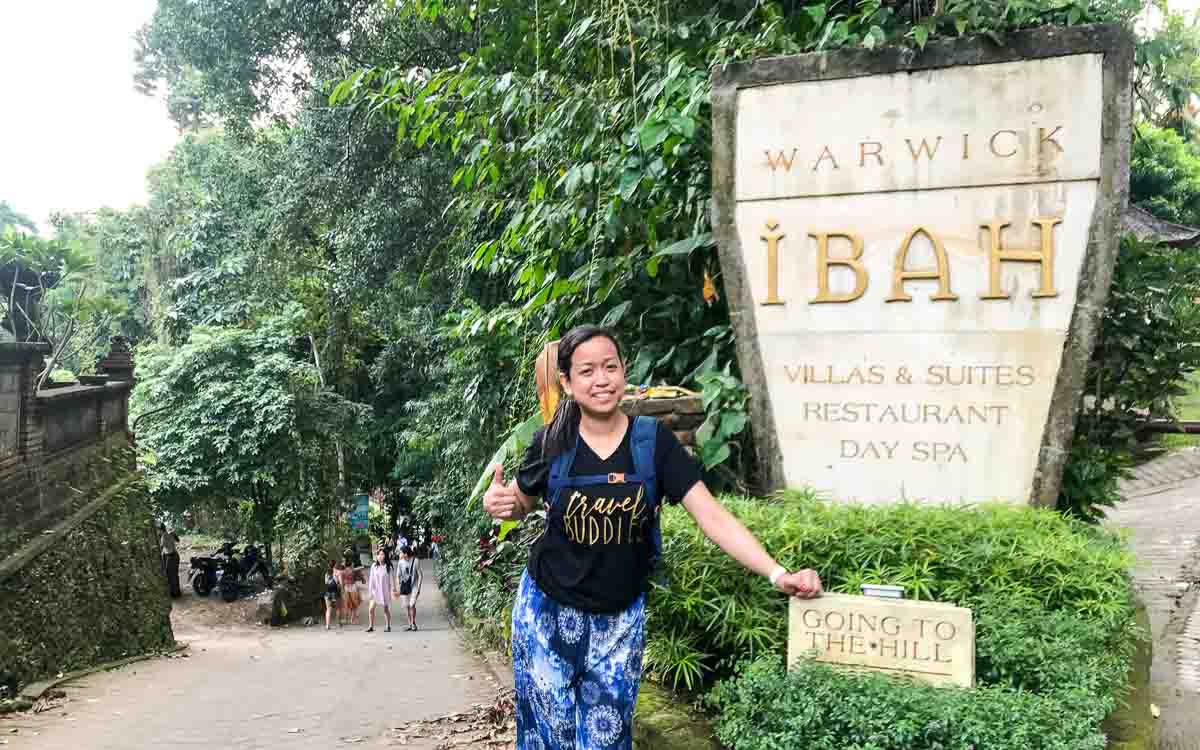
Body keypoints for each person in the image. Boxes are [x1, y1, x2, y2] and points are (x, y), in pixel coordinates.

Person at [483, 325, 822, 750]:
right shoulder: (552, 442)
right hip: (546, 616)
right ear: (567, 383)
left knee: (606, 741)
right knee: (550, 741)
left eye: (610, 367)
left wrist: (777, 574)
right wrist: (499, 503)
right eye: (586, 371)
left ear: (625, 371)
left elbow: (712, 516)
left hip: (618, 623)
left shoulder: (653, 443)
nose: (601, 380)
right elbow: (519, 502)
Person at [366, 547, 394, 633]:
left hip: (384, 591)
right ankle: (371, 626)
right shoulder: (374, 566)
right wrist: (370, 592)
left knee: (386, 609)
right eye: (379, 554)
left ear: (385, 556)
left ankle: (388, 626)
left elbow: (392, 580)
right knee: (371, 609)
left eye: (382, 554)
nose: (380, 556)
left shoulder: (388, 566)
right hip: (375, 591)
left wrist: (394, 590)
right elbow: (371, 580)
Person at [395, 545, 423, 631]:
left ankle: (413, 622)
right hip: (404, 587)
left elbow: (420, 575)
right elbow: (397, 576)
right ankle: (410, 624)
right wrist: (398, 587)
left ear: (405, 553)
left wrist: (419, 588)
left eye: (401, 552)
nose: (399, 554)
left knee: (412, 605)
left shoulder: (416, 561)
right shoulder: (400, 562)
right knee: (406, 606)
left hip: (414, 586)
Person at [159, 524, 181, 598]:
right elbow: (178, 540)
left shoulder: (164, 536)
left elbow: (161, 548)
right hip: (175, 555)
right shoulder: (169, 534)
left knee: (170, 575)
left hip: (171, 557)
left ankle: (174, 593)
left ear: (160, 530)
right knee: (174, 574)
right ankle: (177, 592)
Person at [339, 555, 361, 625]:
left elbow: (341, 583)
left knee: (347, 605)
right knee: (354, 605)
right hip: (353, 588)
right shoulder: (353, 571)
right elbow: (358, 576)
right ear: (351, 564)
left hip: (346, 588)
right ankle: (352, 619)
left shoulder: (342, 572)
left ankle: (345, 619)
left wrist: (342, 589)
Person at [324, 561, 342, 630]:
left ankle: (327, 625)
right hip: (336, 592)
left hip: (328, 593)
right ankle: (339, 623)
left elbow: (326, 582)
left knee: (328, 609)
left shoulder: (327, 573)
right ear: (335, 565)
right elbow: (340, 584)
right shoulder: (338, 572)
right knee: (338, 608)